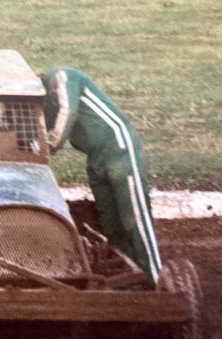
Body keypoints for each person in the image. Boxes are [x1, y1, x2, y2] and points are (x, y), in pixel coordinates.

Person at [41, 67, 162, 288]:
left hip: (119, 148)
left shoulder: (63, 77)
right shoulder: (46, 101)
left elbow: (69, 111)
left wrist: (51, 146)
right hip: (96, 158)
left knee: (134, 219)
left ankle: (156, 280)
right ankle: (130, 279)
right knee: (110, 223)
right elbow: (39, 125)